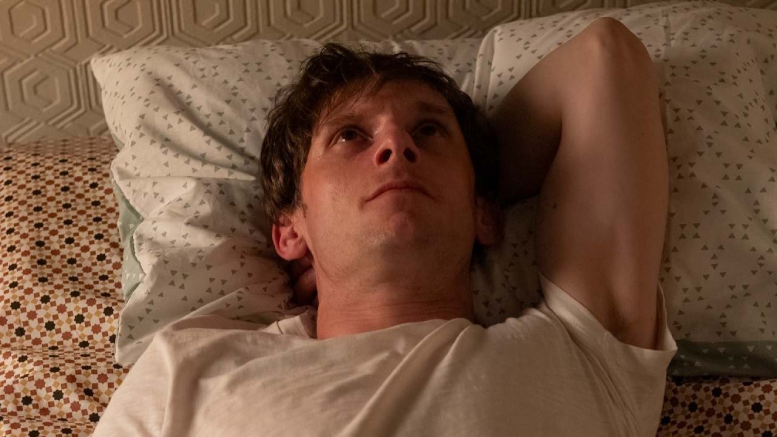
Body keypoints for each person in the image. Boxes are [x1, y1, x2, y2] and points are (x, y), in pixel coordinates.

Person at [94, 17, 676, 436]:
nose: (396, 144)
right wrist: (450, 181)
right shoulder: (184, 373)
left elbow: (605, 55)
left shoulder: (584, 355)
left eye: (428, 132)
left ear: (486, 215)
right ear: (290, 231)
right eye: (351, 135)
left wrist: (468, 185)